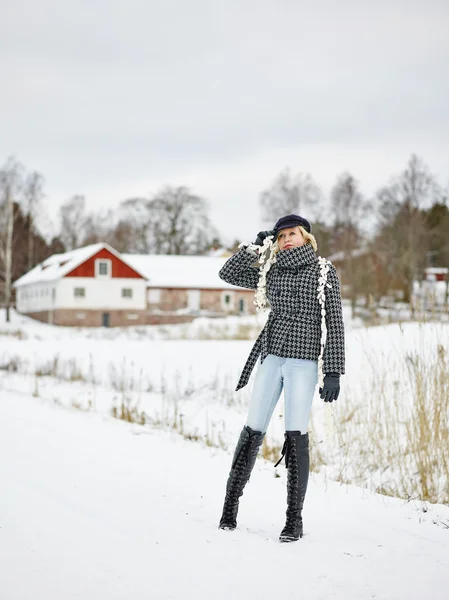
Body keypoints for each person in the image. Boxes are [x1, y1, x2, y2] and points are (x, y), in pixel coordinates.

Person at [217, 213, 345, 542]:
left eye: (293, 233)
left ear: (306, 237)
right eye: (282, 235)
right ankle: (229, 509)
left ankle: (293, 520)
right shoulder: (269, 266)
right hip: (271, 356)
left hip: (302, 362)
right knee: (253, 426)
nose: (287, 238)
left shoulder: (323, 271)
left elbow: (335, 322)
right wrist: (255, 247)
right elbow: (227, 273)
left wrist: (332, 370)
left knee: (295, 432)